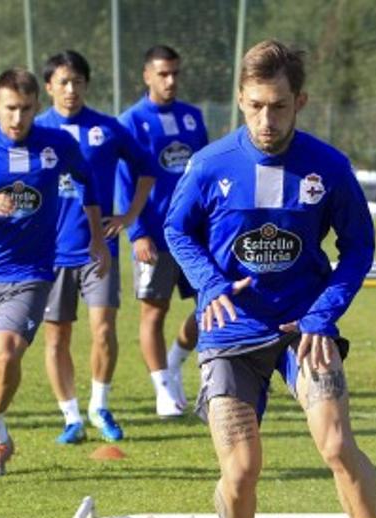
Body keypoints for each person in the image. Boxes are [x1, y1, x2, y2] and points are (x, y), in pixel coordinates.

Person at [165, 40, 376, 518]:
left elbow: (359, 248)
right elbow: (177, 228)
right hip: (232, 331)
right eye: (254, 106)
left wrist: (324, 314)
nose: (266, 121)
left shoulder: (327, 166)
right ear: (240, 100)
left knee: (334, 444)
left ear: (299, 101)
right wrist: (209, 283)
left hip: (304, 325)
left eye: (278, 106)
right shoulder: (210, 164)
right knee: (243, 468)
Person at [0, 68, 110, 477]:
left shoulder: (57, 143)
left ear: (37, 107)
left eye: (26, 109)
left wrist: (97, 238)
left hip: (31, 272)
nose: (18, 119)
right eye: (10, 109)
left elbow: (88, 181)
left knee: (9, 353)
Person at [36, 50, 154, 444]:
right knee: (57, 338)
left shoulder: (108, 128)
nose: (71, 90)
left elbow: (147, 170)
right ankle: (70, 417)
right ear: (49, 86)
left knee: (103, 330)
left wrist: (128, 216)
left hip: (98, 250)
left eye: (78, 82)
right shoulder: (35, 131)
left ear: (86, 85)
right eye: (63, 82)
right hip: (50, 253)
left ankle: (99, 405)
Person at [118, 45, 208, 418]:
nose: (170, 81)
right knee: (153, 313)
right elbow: (124, 182)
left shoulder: (192, 117)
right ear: (147, 76)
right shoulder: (130, 122)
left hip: (196, 234)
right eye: (162, 74)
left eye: (175, 73)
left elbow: (206, 173)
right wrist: (137, 232)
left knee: (211, 308)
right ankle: (163, 390)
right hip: (154, 235)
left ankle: (174, 363)